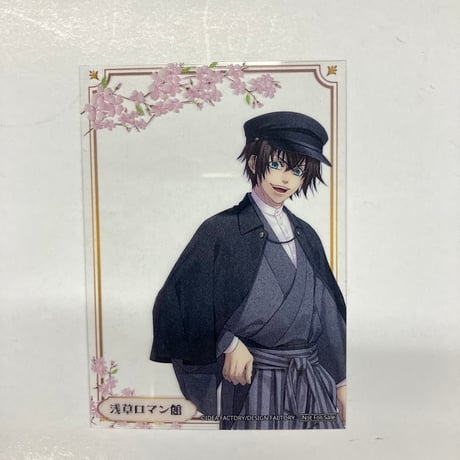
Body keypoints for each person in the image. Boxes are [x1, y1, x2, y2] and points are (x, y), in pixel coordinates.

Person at [150, 111, 346, 429]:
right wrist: (226, 343)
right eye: (277, 164)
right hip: (253, 382)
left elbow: (329, 312)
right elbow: (178, 302)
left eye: (297, 170)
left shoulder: (306, 234)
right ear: (255, 163)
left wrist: (342, 380)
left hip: (313, 381)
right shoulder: (220, 230)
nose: (285, 179)